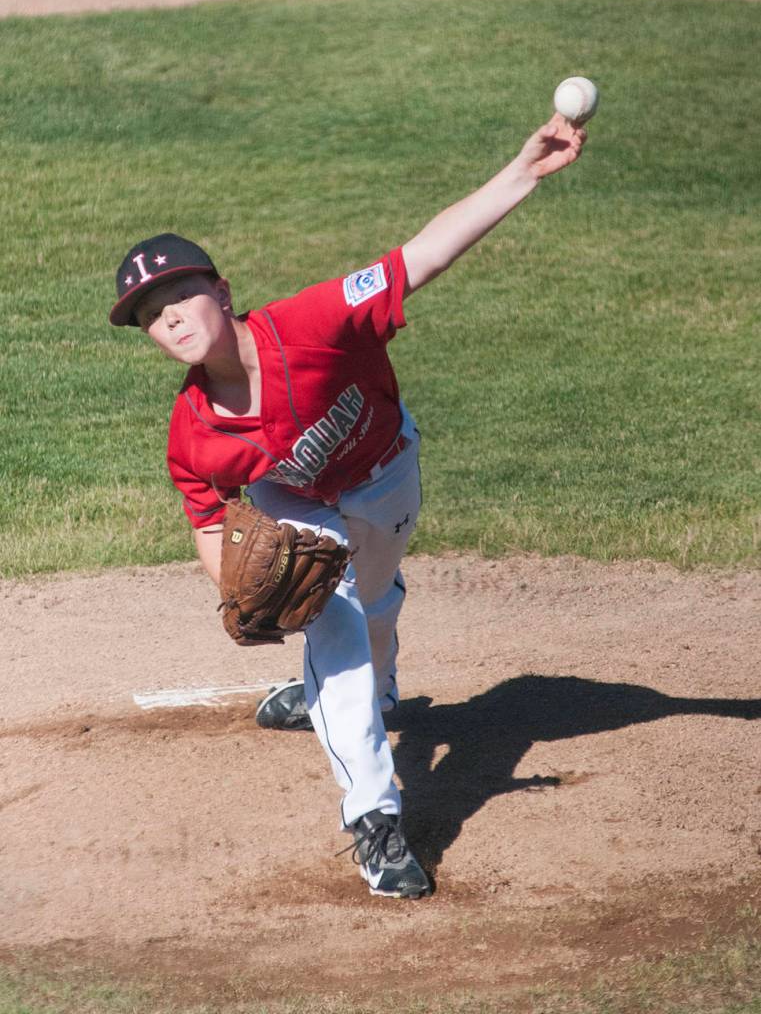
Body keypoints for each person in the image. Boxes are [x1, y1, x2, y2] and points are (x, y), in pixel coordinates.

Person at [109, 114, 587, 899]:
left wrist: (522, 172)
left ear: (220, 293)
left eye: (178, 294)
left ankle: (369, 675)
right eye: (147, 313)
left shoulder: (313, 324)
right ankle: (375, 817)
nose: (165, 316)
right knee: (333, 630)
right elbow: (205, 519)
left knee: (372, 605)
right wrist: (240, 594)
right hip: (291, 503)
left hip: (386, 472)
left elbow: (421, 256)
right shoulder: (193, 433)